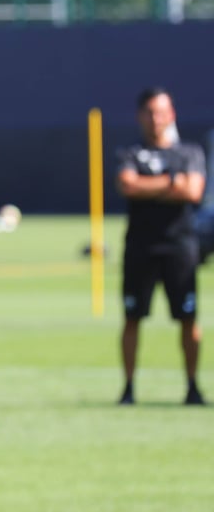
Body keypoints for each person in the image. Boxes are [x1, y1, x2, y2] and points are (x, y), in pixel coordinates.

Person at [116, 87, 206, 406]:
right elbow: (127, 184)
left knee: (188, 318)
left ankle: (193, 387)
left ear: (172, 115)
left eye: (162, 111)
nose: (156, 118)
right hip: (140, 246)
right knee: (132, 317)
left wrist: (148, 186)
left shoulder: (190, 153)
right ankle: (128, 389)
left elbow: (193, 191)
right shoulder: (130, 153)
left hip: (179, 247)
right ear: (141, 115)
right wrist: (171, 183)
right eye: (150, 112)